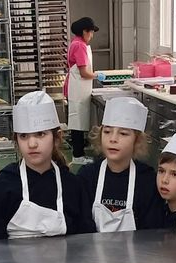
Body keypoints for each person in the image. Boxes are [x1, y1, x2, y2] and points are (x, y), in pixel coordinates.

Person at [0, 91, 94, 239]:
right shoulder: (2, 186)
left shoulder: (72, 186)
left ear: (57, 138)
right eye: (23, 136)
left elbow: (85, 240)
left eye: (40, 134)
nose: (32, 144)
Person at [76, 97, 160, 232]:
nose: (113, 139)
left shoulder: (147, 180)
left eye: (123, 133)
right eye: (107, 132)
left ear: (137, 140)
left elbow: (150, 232)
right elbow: (81, 224)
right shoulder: (87, 176)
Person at [66, 17, 98, 158]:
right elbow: (84, 73)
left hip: (77, 88)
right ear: (85, 31)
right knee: (77, 123)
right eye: (91, 32)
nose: (92, 35)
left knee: (77, 122)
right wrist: (97, 76)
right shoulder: (80, 46)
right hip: (77, 89)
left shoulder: (75, 43)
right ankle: (78, 155)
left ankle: (79, 151)